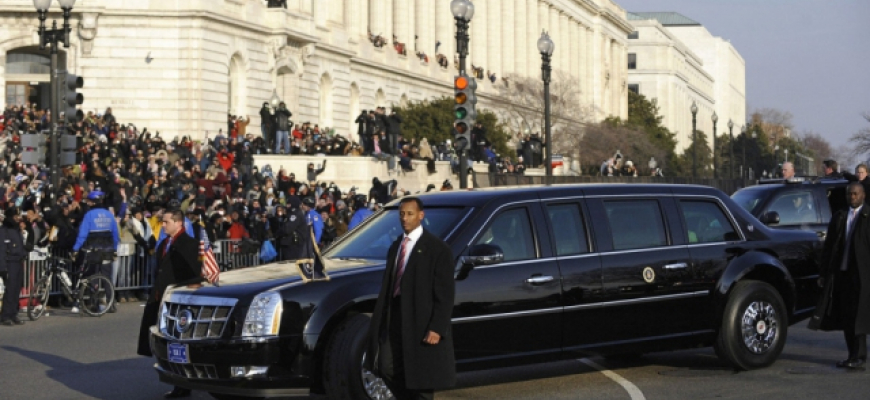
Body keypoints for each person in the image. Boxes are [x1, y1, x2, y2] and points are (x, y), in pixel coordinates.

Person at [365, 197, 456, 399]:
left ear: (421, 216)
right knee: (385, 365)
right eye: (402, 214)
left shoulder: (437, 249)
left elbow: (445, 293)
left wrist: (437, 327)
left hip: (421, 321)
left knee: (421, 376)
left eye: (410, 214)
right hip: (395, 316)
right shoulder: (396, 246)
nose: (404, 218)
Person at [137, 210, 203, 398]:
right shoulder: (165, 244)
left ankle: (183, 384)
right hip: (162, 297)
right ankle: (176, 379)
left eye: (166, 222)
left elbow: (196, 273)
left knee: (179, 344)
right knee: (164, 341)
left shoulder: (190, 244)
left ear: (178, 223)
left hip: (180, 301)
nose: (163, 225)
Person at [810, 182, 870, 370]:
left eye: (855, 194)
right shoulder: (840, 216)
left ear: (863, 196)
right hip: (841, 274)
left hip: (861, 275)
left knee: (858, 317)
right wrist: (823, 273)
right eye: (849, 194)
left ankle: (859, 356)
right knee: (846, 317)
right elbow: (829, 248)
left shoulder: (868, 217)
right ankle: (851, 354)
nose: (852, 197)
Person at [72, 191, 120, 314]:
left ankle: (94, 304)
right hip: (107, 250)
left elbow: (82, 235)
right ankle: (111, 303)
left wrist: (75, 249)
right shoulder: (109, 215)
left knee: (92, 277)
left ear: (93, 202)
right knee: (106, 277)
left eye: (89, 201)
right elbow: (115, 234)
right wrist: (114, 249)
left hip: (93, 250)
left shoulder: (89, 215)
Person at [0, 207, 26, 326]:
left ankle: (13, 313)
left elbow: (20, 246)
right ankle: (6, 315)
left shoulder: (16, 229)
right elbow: (2, 250)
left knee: (16, 289)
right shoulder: (4, 230)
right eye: (16, 216)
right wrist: (3, 268)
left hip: (18, 261)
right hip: (9, 262)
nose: (18, 218)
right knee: (10, 290)